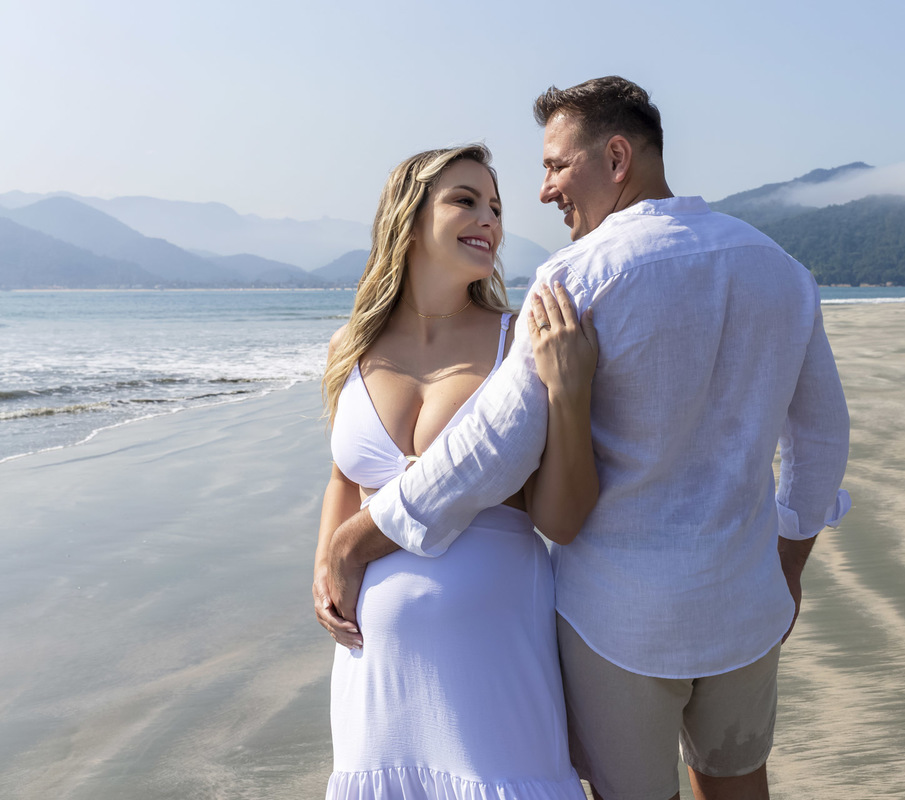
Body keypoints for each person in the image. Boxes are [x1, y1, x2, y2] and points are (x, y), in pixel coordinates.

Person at [320, 77, 851, 800]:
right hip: (745, 603)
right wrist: (788, 564)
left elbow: (492, 448)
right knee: (738, 784)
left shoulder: (581, 276)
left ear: (618, 157)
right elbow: (821, 442)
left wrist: (362, 536)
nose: (545, 190)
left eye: (556, 166)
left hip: (618, 618)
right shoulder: (780, 270)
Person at [313, 144, 595, 799]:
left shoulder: (520, 339)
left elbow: (560, 518)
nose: (489, 219)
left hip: (493, 658)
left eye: (495, 206)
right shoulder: (351, 345)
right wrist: (325, 570)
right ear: (409, 220)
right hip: (372, 670)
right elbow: (343, 479)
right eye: (465, 201)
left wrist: (571, 393)